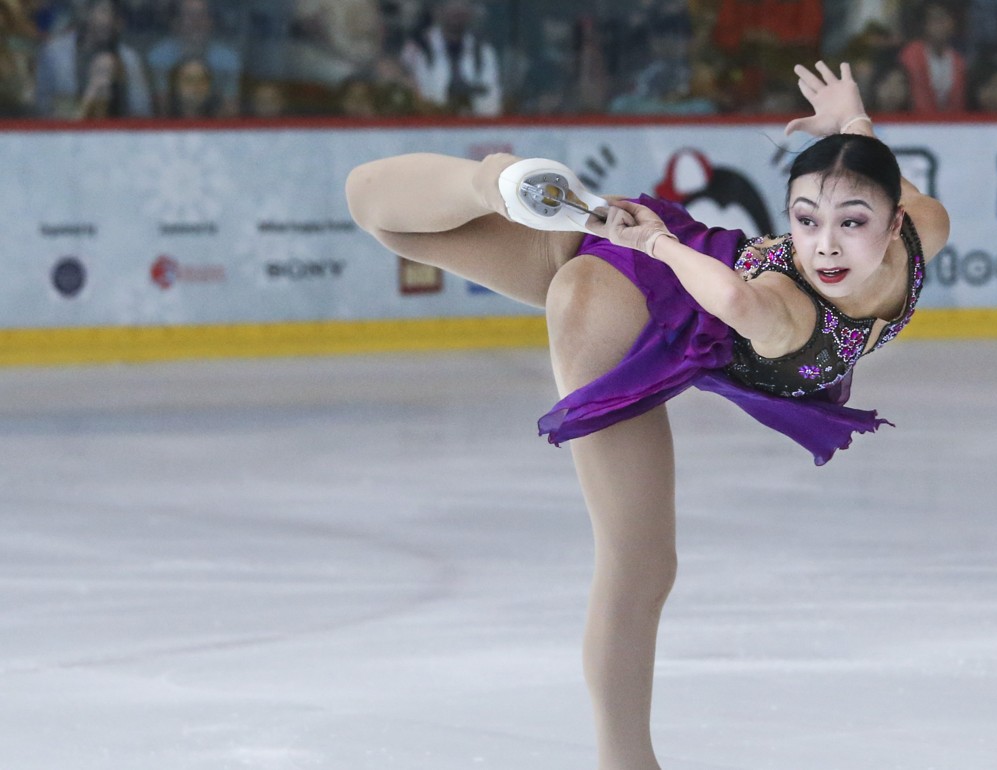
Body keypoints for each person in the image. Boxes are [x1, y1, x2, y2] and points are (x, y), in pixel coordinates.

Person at [344, 60, 949, 770]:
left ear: (897, 223)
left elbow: (879, 174)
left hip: (646, 260)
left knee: (391, 225)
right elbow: (737, 304)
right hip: (623, 304)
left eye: (853, 221)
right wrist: (653, 242)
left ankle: (498, 187)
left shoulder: (925, 233)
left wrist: (852, 123)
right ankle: (496, 180)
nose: (826, 246)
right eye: (806, 220)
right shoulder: (786, 305)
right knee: (639, 565)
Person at [33, 0, 151, 118]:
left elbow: (141, 111)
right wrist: (92, 92)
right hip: (64, 133)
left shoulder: (130, 59)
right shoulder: (55, 53)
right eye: (104, 12)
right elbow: (43, 107)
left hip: (118, 133)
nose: (109, 20)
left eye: (116, 15)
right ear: (88, 13)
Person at [145, 0, 240, 117]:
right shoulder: (158, 58)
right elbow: (160, 108)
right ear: (176, 22)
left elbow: (230, 109)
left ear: (211, 21)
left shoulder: (227, 60)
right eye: (189, 16)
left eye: (201, 15)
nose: (196, 22)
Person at [899, 0, 968, 114]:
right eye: (935, 19)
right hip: (916, 122)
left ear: (952, 24)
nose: (940, 25)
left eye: (944, 19)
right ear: (926, 24)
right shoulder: (910, 55)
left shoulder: (959, 62)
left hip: (951, 125)